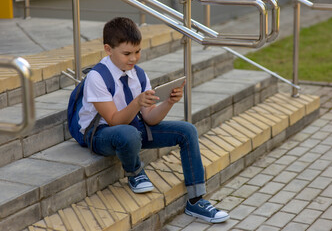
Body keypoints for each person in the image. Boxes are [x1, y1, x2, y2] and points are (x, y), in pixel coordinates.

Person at [78, 17, 229, 223]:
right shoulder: (97, 77)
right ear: (108, 49)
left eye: (137, 51)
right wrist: (138, 102)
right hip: (101, 135)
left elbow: (149, 118)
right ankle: (135, 172)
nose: (134, 58)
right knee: (128, 133)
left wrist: (168, 102)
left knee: (187, 131)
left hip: (132, 129)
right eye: (127, 53)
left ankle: (196, 200)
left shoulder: (138, 74)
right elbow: (114, 120)